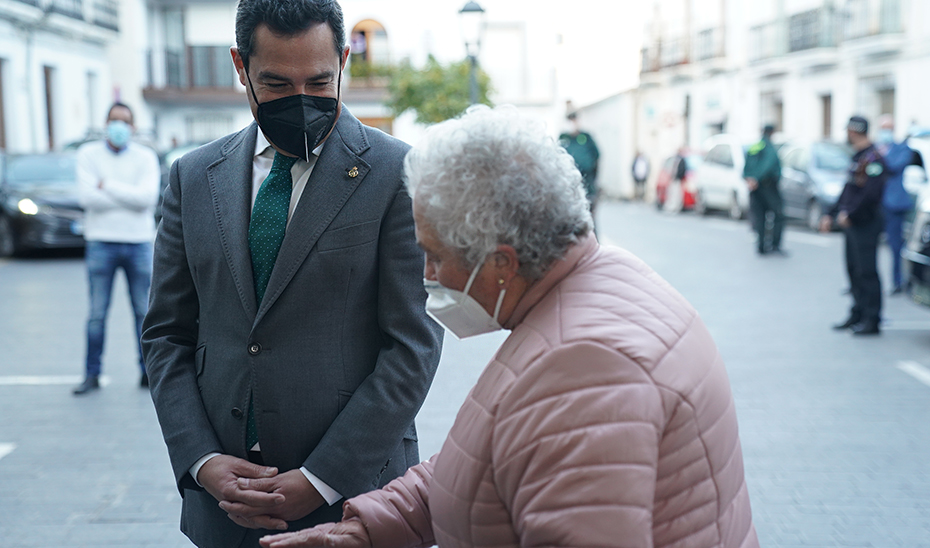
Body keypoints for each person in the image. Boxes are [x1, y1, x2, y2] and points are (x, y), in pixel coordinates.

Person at [259, 106, 759, 548]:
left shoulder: (586, 370)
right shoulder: (600, 284)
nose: (426, 275)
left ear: (500, 263)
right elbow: (497, 455)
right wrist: (370, 527)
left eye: (433, 255)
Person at [140, 1, 444, 546]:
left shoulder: (399, 172)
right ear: (241, 67)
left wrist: (320, 477)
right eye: (277, 84)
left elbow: (413, 346)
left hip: (355, 500)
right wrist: (203, 460)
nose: (300, 101)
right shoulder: (191, 177)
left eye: (320, 81)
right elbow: (167, 335)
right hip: (222, 510)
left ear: (344, 60)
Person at [73, 102, 161, 395]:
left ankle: (147, 372)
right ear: (105, 123)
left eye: (125, 121)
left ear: (133, 127)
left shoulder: (146, 157)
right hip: (101, 242)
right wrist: (127, 195)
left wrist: (106, 185)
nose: (119, 126)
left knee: (143, 312)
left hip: (138, 243)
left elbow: (147, 200)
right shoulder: (87, 155)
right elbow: (87, 199)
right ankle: (91, 374)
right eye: (114, 120)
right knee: (97, 314)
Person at [821, 115, 886, 335]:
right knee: (854, 270)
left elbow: (871, 194)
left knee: (867, 271)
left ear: (854, 131)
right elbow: (847, 189)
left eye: (848, 131)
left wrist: (851, 213)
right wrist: (832, 213)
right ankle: (857, 312)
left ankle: (872, 319)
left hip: (865, 223)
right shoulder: (858, 157)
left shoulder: (873, 158)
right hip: (851, 224)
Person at [876, 115, 915, 294]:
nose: (886, 132)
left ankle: (898, 281)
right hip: (875, 203)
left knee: (895, 245)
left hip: (894, 204)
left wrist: (881, 155)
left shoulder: (902, 149)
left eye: (889, 128)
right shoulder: (876, 148)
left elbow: (892, 167)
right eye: (883, 128)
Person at [743, 124, 785, 255]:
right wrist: (756, 178)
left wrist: (749, 178)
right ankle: (774, 245)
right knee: (778, 215)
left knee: (759, 216)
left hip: (754, 188)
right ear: (772, 133)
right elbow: (769, 164)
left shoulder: (755, 146)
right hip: (767, 186)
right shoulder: (769, 147)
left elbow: (746, 165)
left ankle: (761, 246)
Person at [558, 112, 600, 225]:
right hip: (568, 187)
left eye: (574, 120)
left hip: (587, 184)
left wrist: (594, 180)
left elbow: (596, 157)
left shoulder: (586, 137)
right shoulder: (563, 138)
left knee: (589, 218)